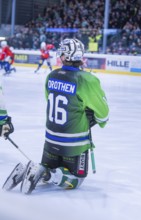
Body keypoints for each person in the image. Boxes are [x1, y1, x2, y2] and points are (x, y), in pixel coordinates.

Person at [3, 38, 109, 194]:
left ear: (66, 56)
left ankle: (36, 169)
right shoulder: (87, 80)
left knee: (49, 165)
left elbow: (50, 99)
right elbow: (103, 114)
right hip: (74, 145)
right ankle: (47, 174)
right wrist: (95, 119)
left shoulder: (52, 76)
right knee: (76, 179)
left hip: (50, 142)